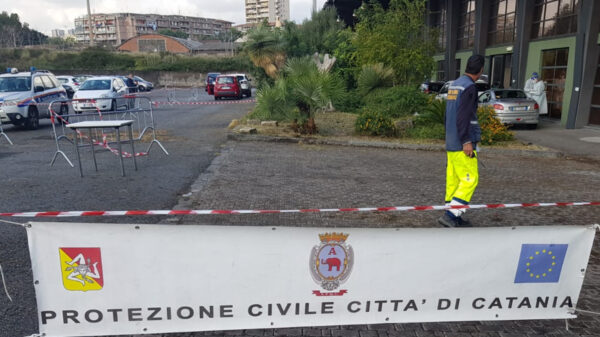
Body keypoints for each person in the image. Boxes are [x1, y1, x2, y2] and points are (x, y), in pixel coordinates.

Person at [438, 54, 484, 228]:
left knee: (454, 179)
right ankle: (451, 215)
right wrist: (467, 141)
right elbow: (464, 116)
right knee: (470, 178)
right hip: (462, 142)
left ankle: (452, 215)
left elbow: (448, 114)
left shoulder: (454, 85)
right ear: (481, 70)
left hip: (451, 141)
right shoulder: (470, 87)